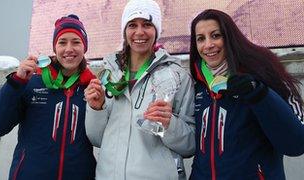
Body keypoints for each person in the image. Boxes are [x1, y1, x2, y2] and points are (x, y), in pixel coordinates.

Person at [84, 0, 195, 179]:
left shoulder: (177, 76)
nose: (139, 32)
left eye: (147, 24)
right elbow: (97, 139)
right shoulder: (108, 74)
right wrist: (96, 109)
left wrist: (169, 125)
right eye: (132, 25)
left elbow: (190, 145)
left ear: (157, 30)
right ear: (124, 31)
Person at [188, 9, 304, 179]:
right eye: (200, 39)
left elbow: (295, 144)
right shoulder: (197, 85)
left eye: (215, 35)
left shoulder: (263, 73)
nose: (208, 45)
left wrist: (259, 95)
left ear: (230, 37)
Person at [0, 14, 96, 180]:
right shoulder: (32, 81)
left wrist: (99, 106)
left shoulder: (93, 88)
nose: (69, 49)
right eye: (62, 42)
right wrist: (16, 82)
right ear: (55, 47)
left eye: (76, 42)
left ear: (84, 47)